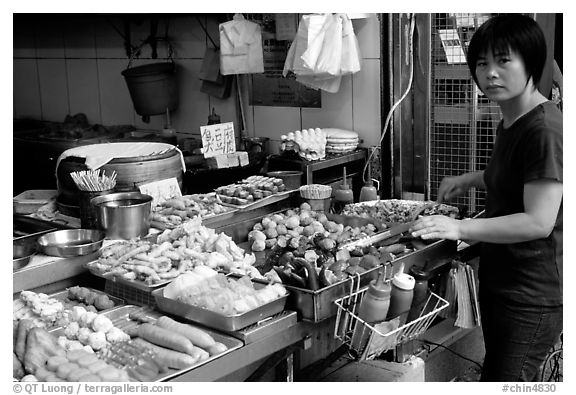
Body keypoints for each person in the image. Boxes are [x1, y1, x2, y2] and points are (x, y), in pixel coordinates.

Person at [410, 14, 562, 382]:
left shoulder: (544, 128)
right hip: (505, 280)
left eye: (504, 60)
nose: (490, 73)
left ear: (531, 62)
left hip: (532, 294)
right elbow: (517, 175)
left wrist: (459, 227)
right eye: (482, 63)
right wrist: (471, 179)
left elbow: (539, 221)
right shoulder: (513, 118)